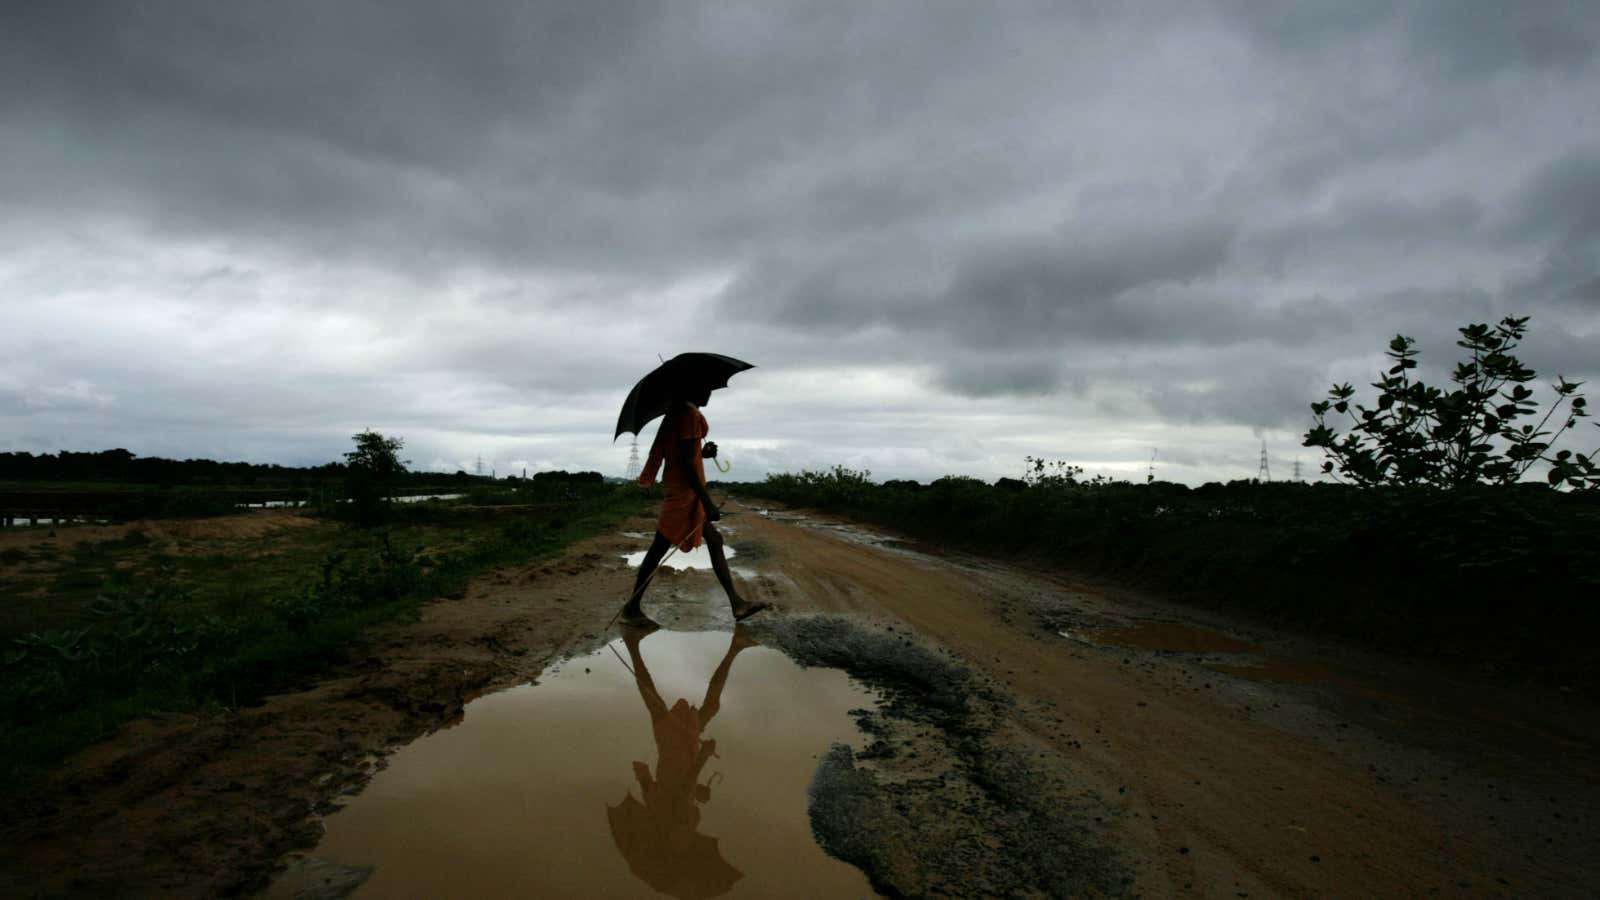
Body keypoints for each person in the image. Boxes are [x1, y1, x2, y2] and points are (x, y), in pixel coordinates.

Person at [622, 386, 768, 626]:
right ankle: (632, 607)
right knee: (658, 548)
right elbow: (688, 467)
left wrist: (703, 454)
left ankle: (737, 603)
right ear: (693, 388)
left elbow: (683, 456)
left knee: (715, 541)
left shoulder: (680, 413)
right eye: (706, 388)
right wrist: (707, 501)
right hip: (683, 494)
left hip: (683, 492)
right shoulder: (688, 415)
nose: (709, 392)